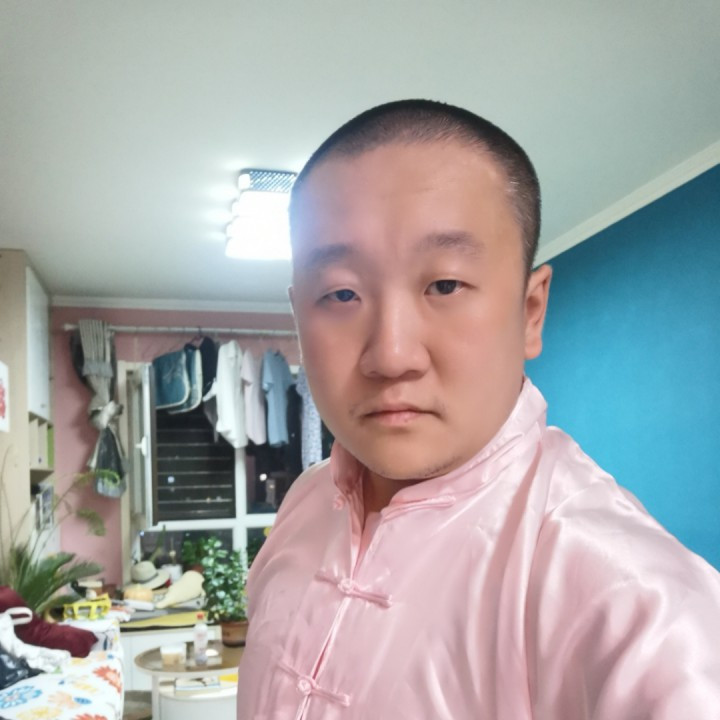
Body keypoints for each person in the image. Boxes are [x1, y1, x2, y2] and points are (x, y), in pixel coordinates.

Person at [236, 100, 720, 719]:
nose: (391, 356)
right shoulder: (304, 505)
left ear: (530, 311)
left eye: (445, 285)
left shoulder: (631, 602)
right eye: (341, 293)